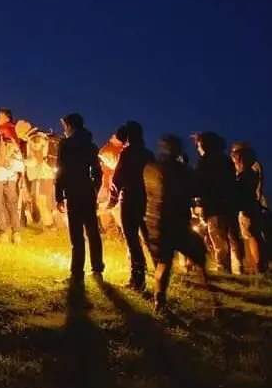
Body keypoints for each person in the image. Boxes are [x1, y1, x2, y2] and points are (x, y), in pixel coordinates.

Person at [144, 135, 210, 313]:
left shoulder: (150, 168)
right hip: (177, 222)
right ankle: (211, 297)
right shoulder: (183, 171)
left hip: (155, 222)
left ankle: (159, 301)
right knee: (199, 253)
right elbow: (197, 189)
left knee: (163, 262)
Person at [55, 112, 104, 282]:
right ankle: (97, 269)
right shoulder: (91, 145)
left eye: (65, 126)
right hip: (88, 192)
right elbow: (98, 172)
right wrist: (94, 189)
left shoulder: (66, 144)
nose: (64, 130)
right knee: (93, 232)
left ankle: (77, 273)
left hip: (73, 192)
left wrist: (59, 195)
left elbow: (60, 170)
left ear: (70, 126)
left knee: (76, 235)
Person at [108, 121, 154, 292]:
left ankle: (137, 279)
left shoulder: (127, 153)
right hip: (146, 200)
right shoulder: (148, 154)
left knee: (132, 239)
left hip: (129, 198)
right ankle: (160, 273)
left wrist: (112, 200)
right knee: (148, 238)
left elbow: (117, 178)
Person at [192, 131, 243, 273]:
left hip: (214, 205)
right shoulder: (226, 161)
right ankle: (238, 266)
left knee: (218, 236)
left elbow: (200, 185)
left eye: (199, 145)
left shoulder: (205, 162)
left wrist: (199, 203)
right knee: (232, 236)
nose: (198, 148)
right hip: (229, 204)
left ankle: (223, 267)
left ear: (205, 145)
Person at [0, 108, 25, 243]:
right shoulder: (15, 135)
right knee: (12, 204)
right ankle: (16, 233)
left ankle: (3, 233)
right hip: (12, 174)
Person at [231, 144, 267, 274]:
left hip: (247, 208)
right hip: (251, 206)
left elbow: (240, 192)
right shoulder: (251, 173)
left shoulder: (245, 175)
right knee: (253, 235)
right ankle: (257, 265)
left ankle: (258, 266)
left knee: (251, 235)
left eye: (235, 158)